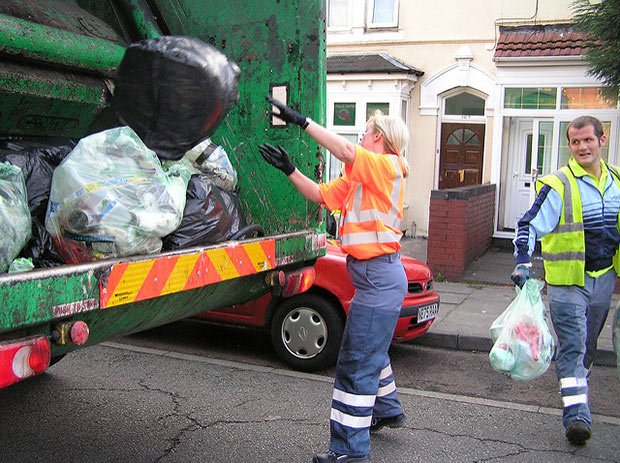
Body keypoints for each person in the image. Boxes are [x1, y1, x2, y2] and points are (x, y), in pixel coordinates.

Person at [260, 96, 410, 463]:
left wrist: (302, 120)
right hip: (375, 279)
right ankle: (386, 408)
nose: (360, 137)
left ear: (380, 139)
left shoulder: (387, 166)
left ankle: (348, 452)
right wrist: (290, 169)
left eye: (366, 132)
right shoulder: (362, 178)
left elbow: (343, 150)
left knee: (355, 363)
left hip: (380, 278)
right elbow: (322, 196)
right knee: (369, 348)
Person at [511, 115, 620, 446]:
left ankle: (578, 389)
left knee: (588, 350)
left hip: (604, 279)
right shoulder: (558, 184)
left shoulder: (617, 180)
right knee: (573, 347)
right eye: (575, 142)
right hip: (567, 284)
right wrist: (522, 262)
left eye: (588, 140)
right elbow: (528, 225)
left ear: (602, 141)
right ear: (569, 146)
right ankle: (577, 418)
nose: (582, 147)